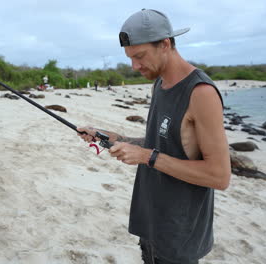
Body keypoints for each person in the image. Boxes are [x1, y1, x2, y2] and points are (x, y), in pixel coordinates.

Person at [77, 9, 230, 264]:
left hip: (178, 236)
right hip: (151, 222)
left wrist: (147, 156)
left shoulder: (200, 93)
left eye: (140, 56)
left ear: (165, 44)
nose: (134, 66)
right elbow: (163, 143)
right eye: (130, 58)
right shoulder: (160, 83)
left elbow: (219, 176)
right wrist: (116, 138)